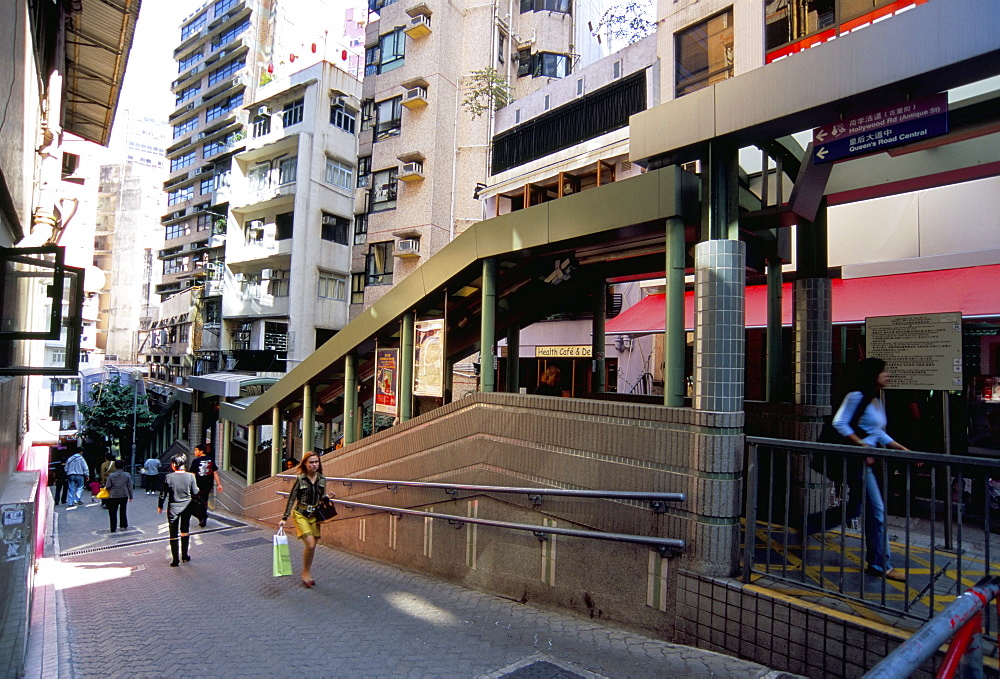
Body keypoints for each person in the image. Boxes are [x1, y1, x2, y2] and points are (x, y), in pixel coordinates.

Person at [808, 358, 910, 582]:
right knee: (877, 510)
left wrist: (900, 447)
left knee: (855, 509)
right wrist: (861, 445)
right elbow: (840, 423)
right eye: (884, 371)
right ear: (872, 374)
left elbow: (877, 433)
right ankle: (880, 563)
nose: (888, 374)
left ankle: (808, 525)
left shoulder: (876, 399)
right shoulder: (856, 396)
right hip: (856, 461)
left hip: (865, 462)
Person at [278, 451, 334, 588]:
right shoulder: (300, 479)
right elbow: (292, 498)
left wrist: (327, 497)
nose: (314, 465)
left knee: (313, 546)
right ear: (305, 464)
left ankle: (306, 571)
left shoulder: (322, 479)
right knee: (310, 544)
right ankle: (305, 572)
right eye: (311, 462)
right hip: (300, 514)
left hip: (315, 515)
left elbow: (321, 498)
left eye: (316, 462)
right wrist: (284, 517)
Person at [158, 454, 199, 567]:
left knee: (173, 532)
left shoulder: (169, 477)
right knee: (185, 529)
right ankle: (185, 556)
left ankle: (175, 560)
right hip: (187, 507)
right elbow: (195, 492)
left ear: (175, 465)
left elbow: (163, 494)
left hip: (173, 508)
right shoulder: (191, 476)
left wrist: (160, 506)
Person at [188, 444, 223, 528]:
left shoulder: (195, 461)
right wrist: (219, 484)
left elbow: (192, 475)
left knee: (193, 502)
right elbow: (215, 472)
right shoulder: (211, 460)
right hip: (208, 485)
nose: (195, 452)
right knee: (204, 501)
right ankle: (203, 516)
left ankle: (201, 516)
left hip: (197, 485)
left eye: (196, 450)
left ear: (201, 451)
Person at [104, 459, 133, 533]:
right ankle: (123, 524)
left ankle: (113, 527)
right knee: (123, 510)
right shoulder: (127, 475)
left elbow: (108, 486)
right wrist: (131, 496)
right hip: (124, 494)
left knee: (113, 512)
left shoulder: (111, 475)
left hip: (113, 495)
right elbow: (130, 486)